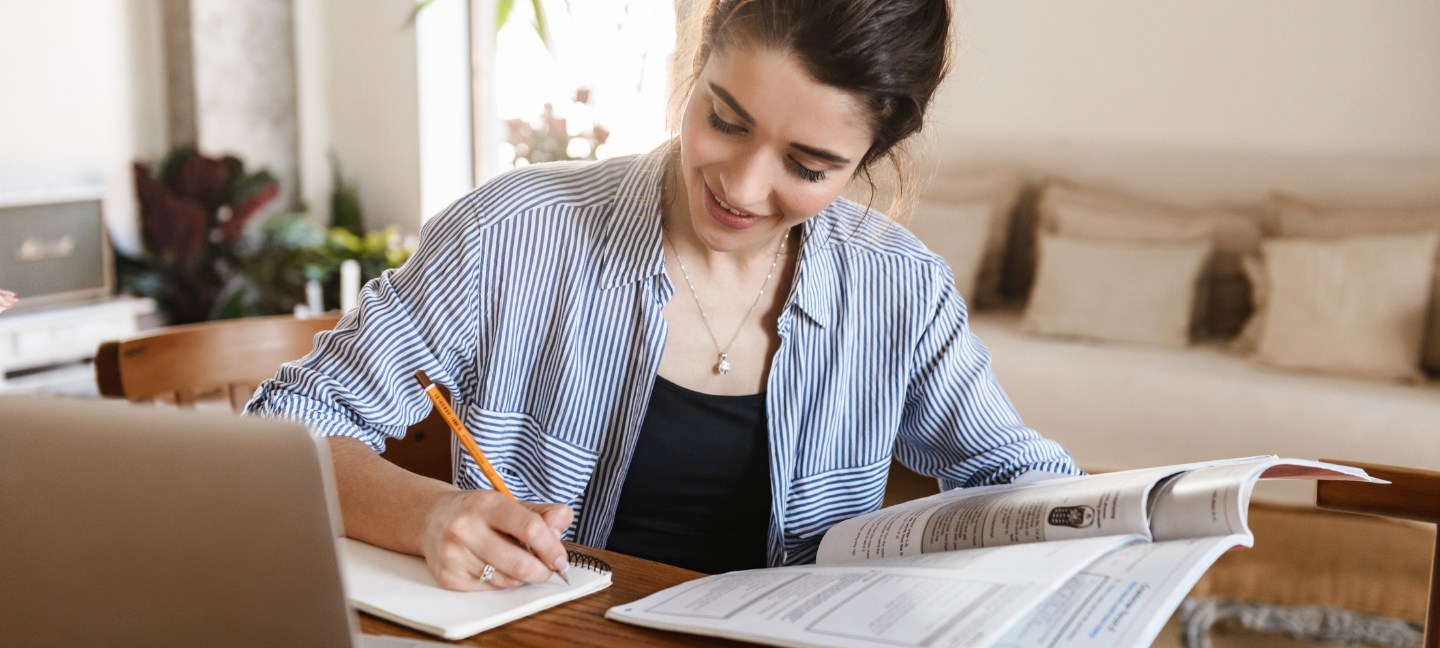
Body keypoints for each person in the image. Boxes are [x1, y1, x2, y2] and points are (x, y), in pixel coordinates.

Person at [246, 0, 1080, 590]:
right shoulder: (512, 233)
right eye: (725, 119)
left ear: (868, 161)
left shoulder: (901, 288)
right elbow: (280, 436)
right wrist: (431, 515)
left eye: (807, 166)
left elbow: (1015, 476)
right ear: (701, 50)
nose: (744, 188)